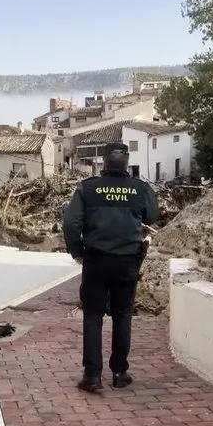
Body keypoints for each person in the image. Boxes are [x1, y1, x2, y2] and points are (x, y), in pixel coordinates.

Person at [63, 142, 158, 392]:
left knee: (93, 316)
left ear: (104, 162)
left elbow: (71, 223)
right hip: (127, 261)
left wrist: (76, 251)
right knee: (122, 314)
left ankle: (92, 376)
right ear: (127, 162)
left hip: (95, 261)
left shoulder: (87, 188)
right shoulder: (141, 189)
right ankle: (120, 373)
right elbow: (151, 218)